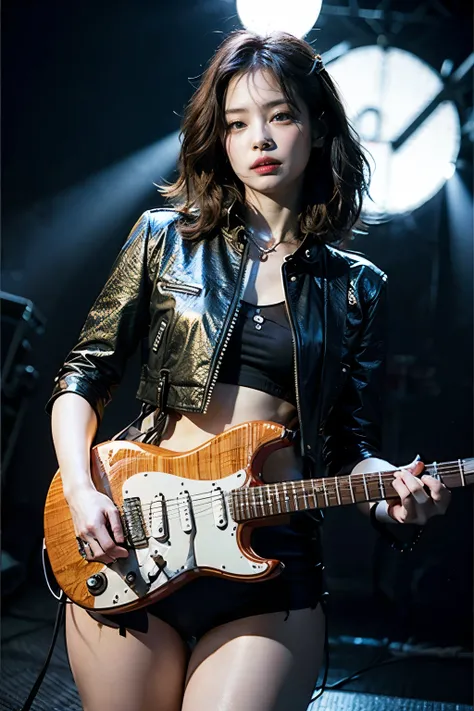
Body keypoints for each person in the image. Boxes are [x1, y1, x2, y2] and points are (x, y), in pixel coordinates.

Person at [47, 30, 451, 711]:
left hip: (271, 560)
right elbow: (83, 375)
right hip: (135, 536)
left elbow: (349, 449)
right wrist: (83, 491)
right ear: (221, 139)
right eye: (238, 123)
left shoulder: (359, 288)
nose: (259, 138)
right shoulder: (163, 238)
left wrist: (391, 497)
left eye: (280, 115)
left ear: (318, 126)